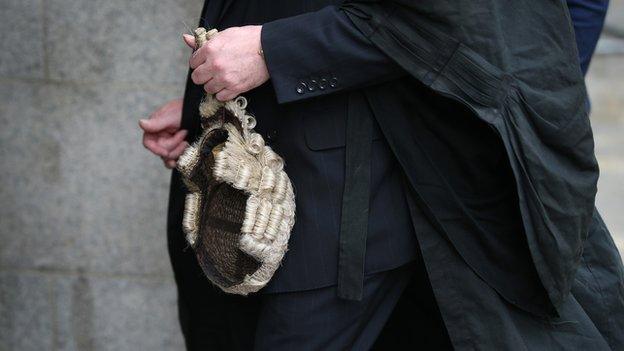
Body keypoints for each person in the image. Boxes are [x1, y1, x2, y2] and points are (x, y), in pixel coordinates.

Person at [140, 0, 624, 350]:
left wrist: (275, 51)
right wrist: (201, 107)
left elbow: (462, 19)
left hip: (349, 191)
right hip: (256, 164)